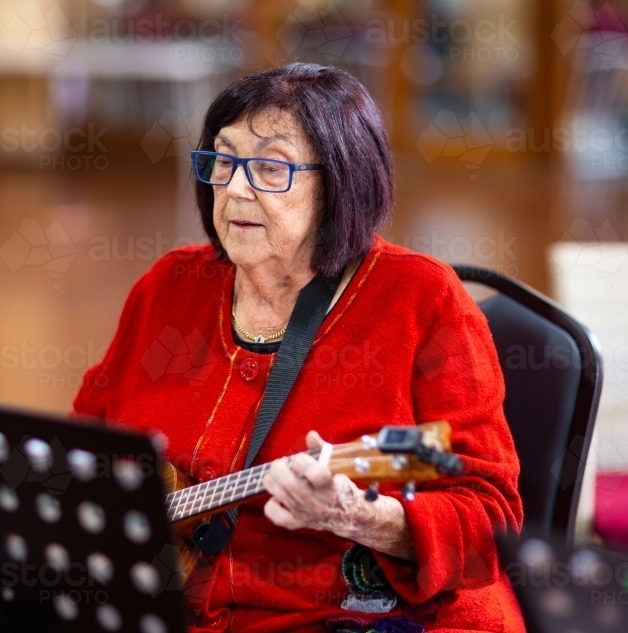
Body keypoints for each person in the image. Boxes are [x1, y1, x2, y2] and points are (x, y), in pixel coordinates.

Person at [72, 62, 524, 633]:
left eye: (269, 167)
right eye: (224, 159)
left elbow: (491, 525)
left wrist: (364, 517)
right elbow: (81, 445)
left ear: (341, 182)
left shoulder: (421, 301)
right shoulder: (172, 288)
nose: (235, 186)